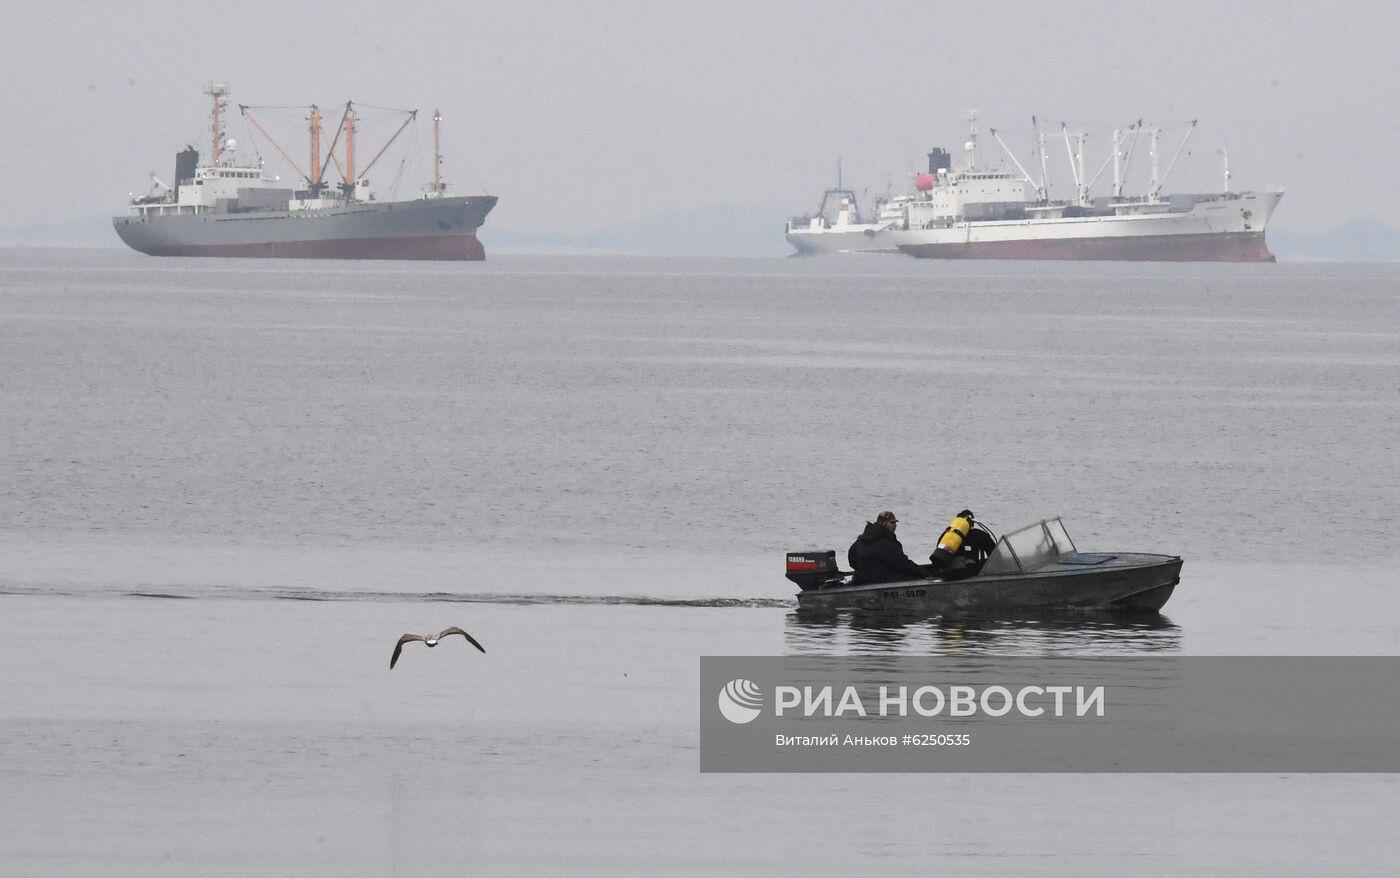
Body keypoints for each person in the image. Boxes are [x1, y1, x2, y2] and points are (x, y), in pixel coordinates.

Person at [847, 511, 929, 585]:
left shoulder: (861, 539)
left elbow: (852, 559)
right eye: (892, 523)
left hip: (863, 579)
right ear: (883, 523)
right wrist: (924, 573)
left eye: (895, 523)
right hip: (881, 581)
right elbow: (902, 563)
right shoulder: (885, 542)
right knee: (916, 579)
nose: (895, 525)